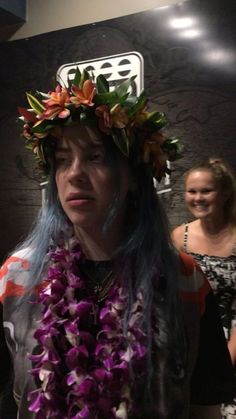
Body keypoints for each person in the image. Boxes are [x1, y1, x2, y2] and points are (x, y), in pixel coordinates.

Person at [0, 70, 235, 419]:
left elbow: (204, 406)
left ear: (133, 179)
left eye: (95, 157)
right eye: (62, 160)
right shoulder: (16, 276)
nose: (74, 174)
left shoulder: (184, 279)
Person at [172, 157, 236, 419]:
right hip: (191, 341)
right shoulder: (179, 236)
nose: (198, 198)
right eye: (192, 191)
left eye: (206, 191)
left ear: (223, 194)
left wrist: (225, 359)